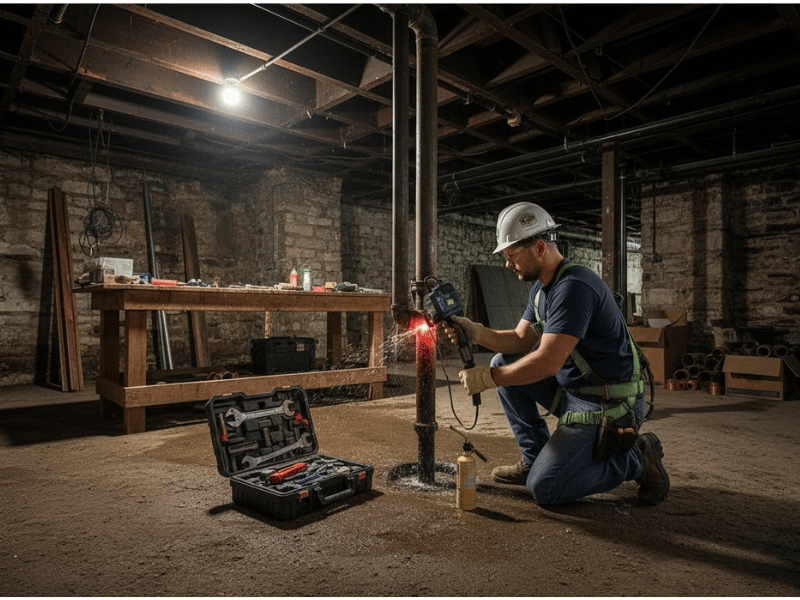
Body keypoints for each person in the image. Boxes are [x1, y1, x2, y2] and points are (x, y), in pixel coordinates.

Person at [445, 201, 669, 505]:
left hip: (607, 402)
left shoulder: (574, 287)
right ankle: (533, 458)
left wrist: (488, 378)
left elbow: (548, 362)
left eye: (512, 255)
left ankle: (637, 458)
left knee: (547, 489)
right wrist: (476, 332)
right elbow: (521, 340)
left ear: (539, 247)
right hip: (575, 391)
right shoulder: (542, 289)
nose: (508, 264)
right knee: (503, 361)